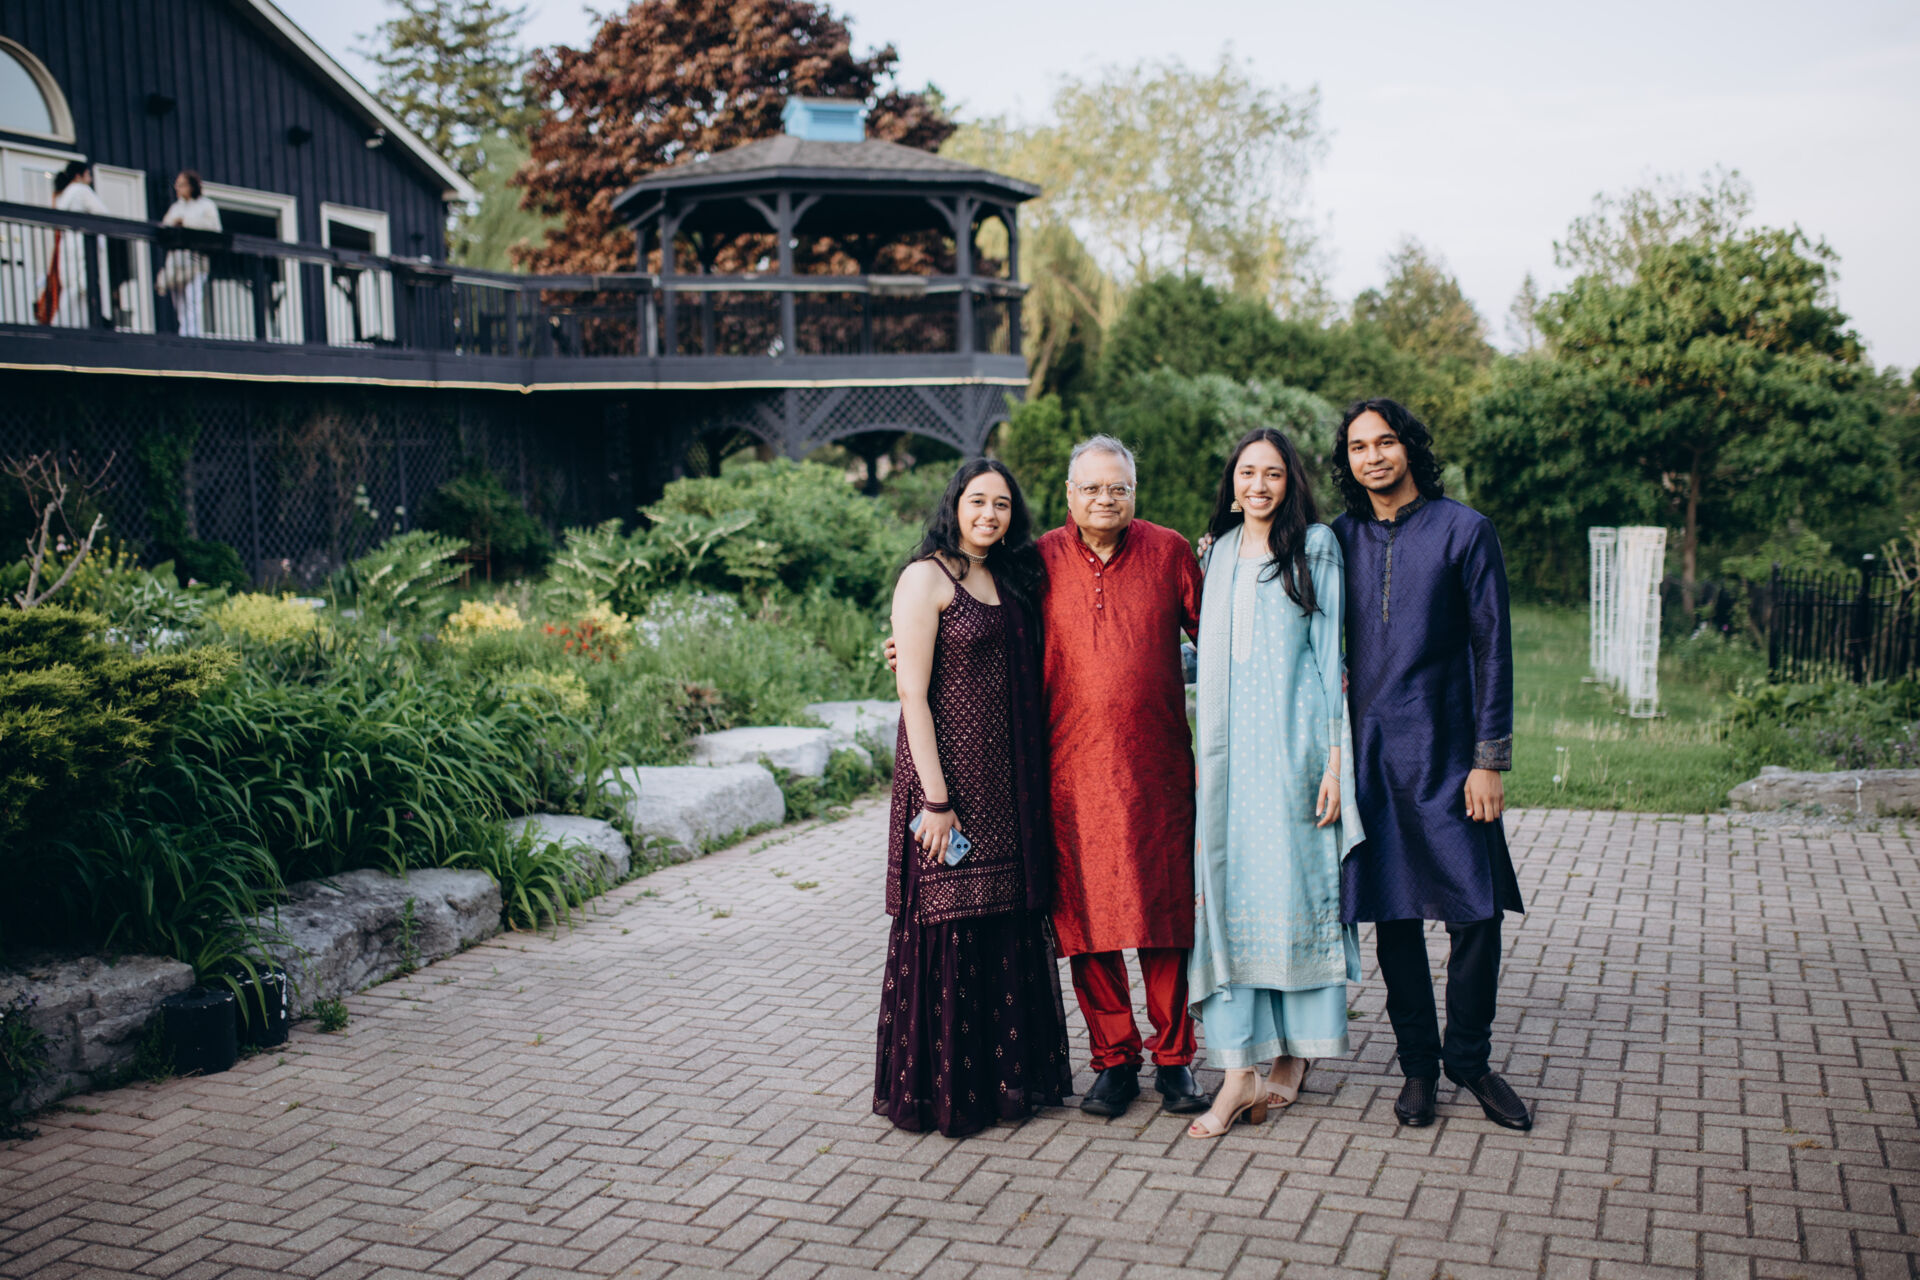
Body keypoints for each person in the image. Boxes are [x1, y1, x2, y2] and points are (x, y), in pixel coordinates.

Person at [887, 436, 1210, 1118]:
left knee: (1164, 918)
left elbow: (1219, 636)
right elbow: (969, 625)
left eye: (1118, 488)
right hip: (1065, 775)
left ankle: (1175, 1059)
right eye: (1091, 488)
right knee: (1087, 923)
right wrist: (906, 648)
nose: (1105, 499)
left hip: (1157, 770)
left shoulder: (1170, 551)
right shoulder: (1035, 563)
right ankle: (1114, 1060)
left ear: (1134, 491)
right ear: (1069, 495)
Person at [1330, 398, 1532, 1131]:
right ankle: (1418, 1065)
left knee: (1475, 912)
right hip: (1372, 755)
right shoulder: (1337, 539)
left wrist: (1489, 759)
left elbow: (1493, 648)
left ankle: (1470, 1061)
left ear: (1410, 448)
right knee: (1395, 913)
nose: (1373, 457)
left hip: (1450, 752)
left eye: (1385, 442)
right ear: (1348, 461)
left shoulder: (1465, 530)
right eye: (1358, 447)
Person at [873, 458, 1072, 1138]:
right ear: (955, 504)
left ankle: (1005, 1084)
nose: (989, 514)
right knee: (947, 923)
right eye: (978, 501)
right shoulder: (925, 577)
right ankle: (944, 1093)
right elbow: (912, 693)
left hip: (1008, 784)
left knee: (1001, 924)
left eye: (1002, 504)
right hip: (947, 784)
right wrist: (935, 801)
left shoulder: (1012, 578)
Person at [1185, 428, 1365, 1139]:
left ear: (1291, 483)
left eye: (1272, 474)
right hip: (1227, 765)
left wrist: (1335, 764)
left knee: (1294, 893)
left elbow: (1330, 659)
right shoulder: (1218, 552)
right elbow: (1203, 650)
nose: (1257, 485)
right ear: (1232, 482)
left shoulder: (1315, 547)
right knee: (1230, 900)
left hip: (1294, 757)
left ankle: (1293, 1054)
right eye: (1246, 473)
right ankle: (1242, 1068)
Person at [36, 160, 110, 327]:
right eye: (88, 174)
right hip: (83, 246)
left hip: (67, 247)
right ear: (79, 176)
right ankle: (81, 325)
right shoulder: (81, 190)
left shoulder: (63, 195)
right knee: (85, 288)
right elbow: (104, 214)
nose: (90, 179)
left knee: (73, 290)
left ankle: (65, 325)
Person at [157, 170, 220, 337]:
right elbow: (165, 226)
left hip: (196, 260)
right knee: (179, 303)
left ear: (192, 186)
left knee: (193, 300)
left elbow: (214, 228)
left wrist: (185, 222)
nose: (177, 188)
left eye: (181, 185)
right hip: (177, 261)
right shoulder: (176, 207)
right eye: (177, 185)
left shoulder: (206, 205)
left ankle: (192, 336)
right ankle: (184, 334)